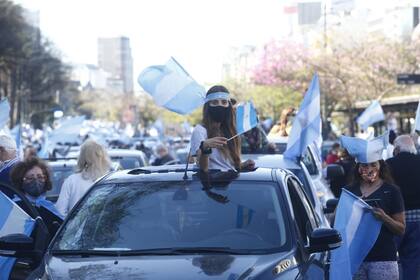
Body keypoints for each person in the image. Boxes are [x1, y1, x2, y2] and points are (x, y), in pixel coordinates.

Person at [340, 133, 405, 280]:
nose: (369, 169)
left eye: (373, 165)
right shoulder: (349, 192)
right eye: (364, 165)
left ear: (380, 166)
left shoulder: (392, 191)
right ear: (358, 168)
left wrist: (384, 218)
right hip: (355, 259)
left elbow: (401, 229)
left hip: (384, 260)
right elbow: (339, 225)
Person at [190, 85, 254, 172]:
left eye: (224, 102)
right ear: (208, 106)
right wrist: (204, 147)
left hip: (232, 182)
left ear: (229, 106)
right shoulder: (200, 130)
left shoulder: (230, 130)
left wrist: (242, 165)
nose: (220, 106)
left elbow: (227, 166)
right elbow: (203, 168)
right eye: (215, 102)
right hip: (212, 183)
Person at [386, 135, 420, 280]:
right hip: (418, 218)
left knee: (388, 260)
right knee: (412, 260)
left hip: (395, 219)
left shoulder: (389, 164)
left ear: (397, 149)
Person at [55, 140, 111, 216]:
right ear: (103, 157)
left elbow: (59, 212)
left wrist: (71, 226)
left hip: (76, 227)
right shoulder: (110, 181)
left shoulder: (71, 181)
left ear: (81, 158)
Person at [10, 157, 63, 235]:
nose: (36, 181)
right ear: (20, 181)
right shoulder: (15, 207)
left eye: (40, 177)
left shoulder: (49, 206)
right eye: (30, 178)